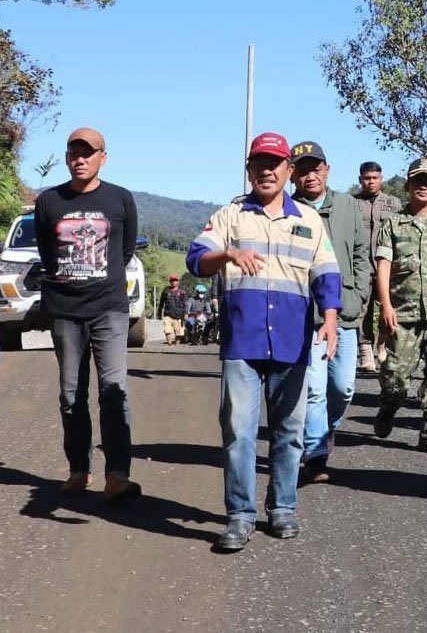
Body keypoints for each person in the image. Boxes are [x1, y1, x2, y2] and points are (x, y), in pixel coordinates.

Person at [186, 131, 341, 552]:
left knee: (288, 430)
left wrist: (329, 318)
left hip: (292, 342)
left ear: (289, 171)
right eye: (259, 163)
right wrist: (228, 255)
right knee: (237, 430)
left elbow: (326, 272)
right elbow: (196, 258)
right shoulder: (230, 217)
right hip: (243, 341)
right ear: (249, 169)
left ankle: (283, 507)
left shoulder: (309, 220)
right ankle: (239, 514)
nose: (267, 170)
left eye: (275, 163)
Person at [35, 127, 141, 501]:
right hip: (64, 311)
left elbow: (125, 252)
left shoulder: (121, 199)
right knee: (70, 394)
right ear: (67, 158)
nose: (80, 159)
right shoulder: (49, 202)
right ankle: (78, 469)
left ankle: (117, 474)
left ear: (102, 157)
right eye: (73, 153)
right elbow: (48, 255)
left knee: (114, 390)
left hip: (108, 309)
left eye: (88, 153)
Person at [290, 140, 371, 484]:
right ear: (292, 174)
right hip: (307, 315)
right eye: (303, 170)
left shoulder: (349, 206)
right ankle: (316, 454)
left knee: (343, 388)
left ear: (327, 169)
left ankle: (327, 429)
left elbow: (361, 255)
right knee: (314, 390)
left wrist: (359, 298)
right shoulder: (288, 208)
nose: (310, 176)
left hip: (346, 313)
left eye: (316, 168)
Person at [372, 158, 427, 454]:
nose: (422, 187)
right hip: (404, 313)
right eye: (417, 181)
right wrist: (385, 306)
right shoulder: (393, 224)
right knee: (396, 378)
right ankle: (388, 407)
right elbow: (383, 266)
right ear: (408, 186)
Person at [353, 161, 402, 373]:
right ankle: (365, 350)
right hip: (362, 264)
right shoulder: (351, 203)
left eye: (374, 178)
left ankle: (382, 344)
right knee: (363, 308)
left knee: (386, 305)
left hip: (386, 265)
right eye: (366, 178)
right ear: (360, 179)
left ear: (381, 178)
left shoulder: (394, 203)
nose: (370, 182)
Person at [159, 274, 187, 344]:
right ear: (169, 281)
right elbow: (161, 302)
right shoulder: (166, 291)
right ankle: (169, 343)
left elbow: (185, 304)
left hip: (178, 315)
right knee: (167, 330)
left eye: (175, 280)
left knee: (178, 333)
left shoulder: (182, 292)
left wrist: (186, 313)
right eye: (172, 280)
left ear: (178, 282)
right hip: (167, 314)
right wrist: (159, 313)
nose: (173, 282)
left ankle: (176, 346)